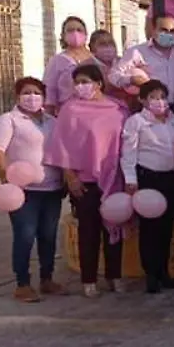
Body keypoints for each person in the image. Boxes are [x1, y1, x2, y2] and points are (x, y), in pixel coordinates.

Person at [43, 64, 128, 298]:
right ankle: (88, 279)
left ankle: (114, 275)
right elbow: (61, 144)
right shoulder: (70, 109)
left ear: (99, 82)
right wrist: (69, 176)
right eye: (77, 82)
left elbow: (126, 142)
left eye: (85, 81)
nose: (81, 86)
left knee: (114, 228)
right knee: (88, 231)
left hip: (114, 179)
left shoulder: (118, 109)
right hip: (84, 180)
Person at [0, 78, 67, 301]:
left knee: (48, 236)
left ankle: (47, 279)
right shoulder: (9, 120)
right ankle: (22, 283)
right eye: (26, 93)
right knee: (24, 235)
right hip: (23, 191)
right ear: (17, 96)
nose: (31, 97)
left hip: (51, 187)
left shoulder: (52, 121)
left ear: (43, 97)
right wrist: (5, 177)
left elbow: (60, 151)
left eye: (36, 93)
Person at [121, 80, 174, 293]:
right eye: (153, 97)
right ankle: (151, 274)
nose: (159, 102)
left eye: (163, 97)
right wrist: (131, 180)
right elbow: (128, 153)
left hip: (171, 178)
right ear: (142, 100)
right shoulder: (136, 122)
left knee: (166, 228)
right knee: (149, 228)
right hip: (148, 178)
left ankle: (164, 271)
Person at [109, 14, 174, 106]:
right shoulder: (137, 52)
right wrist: (132, 79)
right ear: (153, 30)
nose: (168, 34)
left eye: (172, 31)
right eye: (164, 30)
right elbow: (114, 75)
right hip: (149, 108)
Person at [42, 16, 92, 113]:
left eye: (79, 30)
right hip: (69, 113)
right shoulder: (57, 61)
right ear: (63, 35)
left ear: (86, 34)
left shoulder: (96, 58)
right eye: (70, 30)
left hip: (96, 112)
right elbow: (49, 91)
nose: (75, 33)